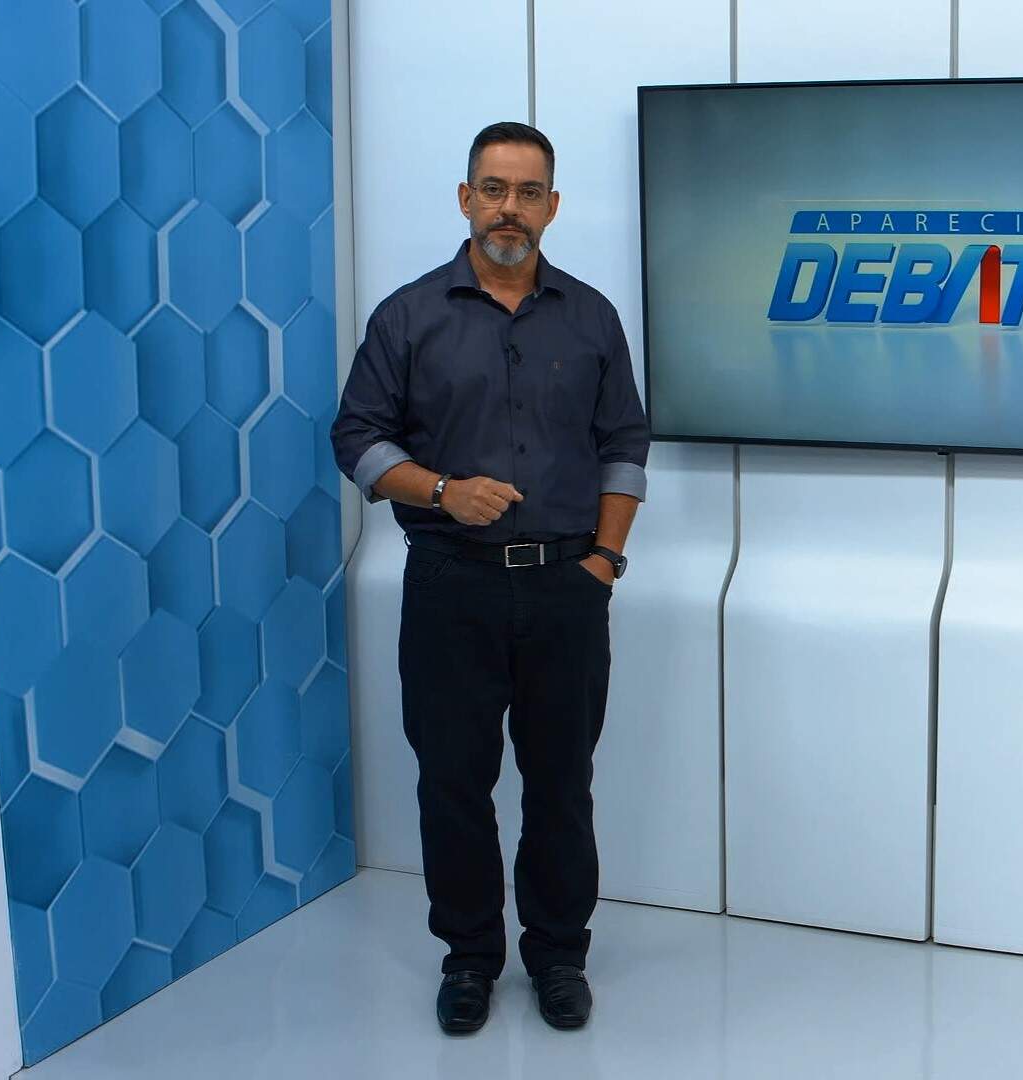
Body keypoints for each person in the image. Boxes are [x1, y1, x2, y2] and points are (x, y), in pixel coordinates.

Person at [330, 121, 648, 1034]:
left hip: (565, 590)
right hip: (450, 586)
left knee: (561, 784)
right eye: (495, 189)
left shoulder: (591, 317)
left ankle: (558, 956)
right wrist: (440, 490)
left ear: (553, 206)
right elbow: (355, 437)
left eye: (529, 191)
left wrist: (603, 562)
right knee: (453, 783)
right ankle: (469, 959)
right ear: (466, 198)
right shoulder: (407, 317)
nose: (512, 207)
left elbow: (625, 446)